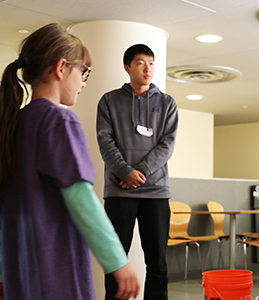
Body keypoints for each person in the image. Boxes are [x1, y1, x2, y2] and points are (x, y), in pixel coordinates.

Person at [0, 23, 140, 300]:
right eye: (83, 71)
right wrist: (118, 261)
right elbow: (81, 199)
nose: (84, 82)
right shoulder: (58, 120)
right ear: (61, 68)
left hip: (18, 267)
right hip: (55, 268)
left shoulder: (12, 123)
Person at [96, 44, 178, 300]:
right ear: (127, 67)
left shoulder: (167, 103)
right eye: (141, 62)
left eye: (151, 63)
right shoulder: (109, 100)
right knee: (115, 262)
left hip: (156, 193)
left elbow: (167, 144)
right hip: (119, 192)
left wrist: (139, 172)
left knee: (158, 265)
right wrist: (124, 173)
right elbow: (105, 141)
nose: (148, 68)